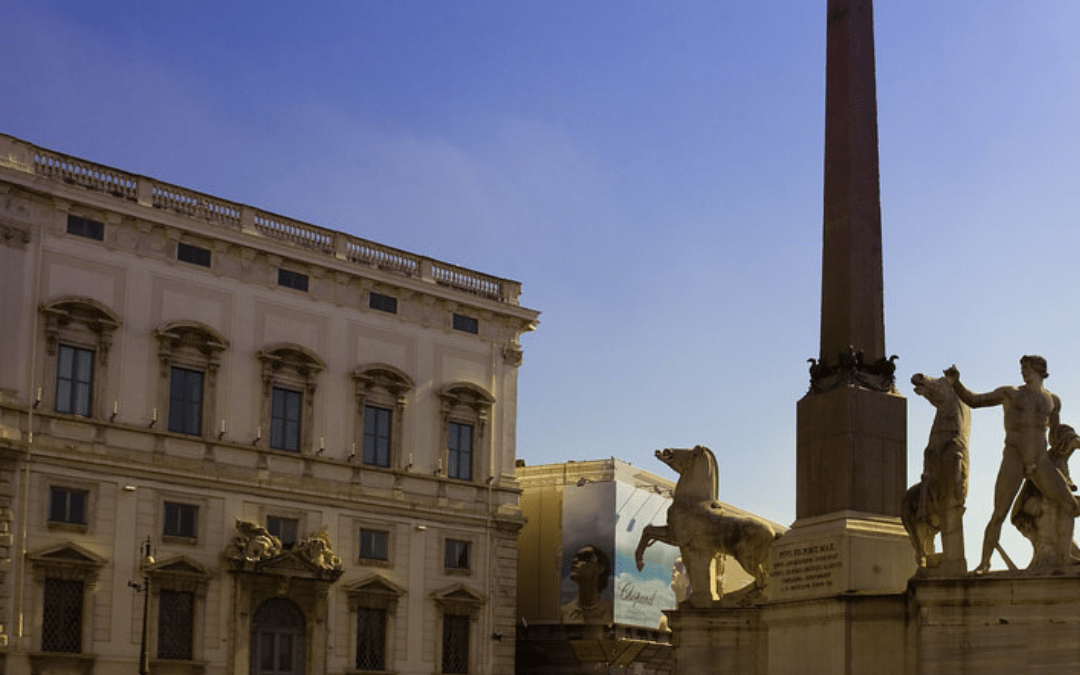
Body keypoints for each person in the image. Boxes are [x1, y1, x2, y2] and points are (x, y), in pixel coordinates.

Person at [946, 356, 1080, 574]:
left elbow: (1055, 435)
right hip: (1014, 458)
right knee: (999, 513)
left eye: (1027, 368)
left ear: (1040, 370)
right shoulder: (1011, 393)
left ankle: (1065, 556)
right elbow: (975, 400)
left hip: (1041, 461)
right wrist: (956, 384)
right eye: (1022, 368)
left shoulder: (1053, 401)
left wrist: (1072, 443)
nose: (1023, 372)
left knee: (1071, 505)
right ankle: (984, 563)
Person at [560, 545, 614, 624]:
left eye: (585, 556)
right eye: (575, 557)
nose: (574, 560)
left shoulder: (612, 611)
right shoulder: (563, 613)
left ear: (600, 568)